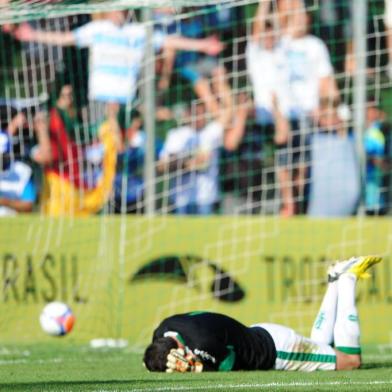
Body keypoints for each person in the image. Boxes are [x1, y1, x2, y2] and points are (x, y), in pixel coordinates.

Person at [144, 255, 382, 372]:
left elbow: (230, 367)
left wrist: (197, 368)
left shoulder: (202, 343)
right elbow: (151, 357)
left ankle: (349, 280)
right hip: (260, 334)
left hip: (278, 351)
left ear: (178, 349)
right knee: (319, 346)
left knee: (350, 362)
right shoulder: (162, 330)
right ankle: (335, 278)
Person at [13, 10, 223, 123]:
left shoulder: (137, 32)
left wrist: (203, 45)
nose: (118, 12)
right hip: (99, 103)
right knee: (98, 152)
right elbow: (65, 38)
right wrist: (33, 35)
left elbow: (170, 41)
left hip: (126, 104)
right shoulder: (98, 29)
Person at [157, 94, 248, 215]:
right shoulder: (176, 135)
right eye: (195, 113)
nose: (199, 117)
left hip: (206, 199)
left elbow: (228, 112)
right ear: (187, 114)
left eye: (202, 113)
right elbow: (162, 166)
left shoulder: (210, 132)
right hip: (181, 199)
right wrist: (188, 162)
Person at [0, 108, 51, 215]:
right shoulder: (6, 136)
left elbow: (45, 157)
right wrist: (12, 127)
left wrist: (41, 130)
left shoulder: (26, 145)